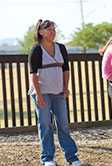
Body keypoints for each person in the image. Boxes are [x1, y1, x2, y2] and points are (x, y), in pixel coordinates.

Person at [28, 19, 82, 166]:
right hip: (42, 93)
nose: (52, 32)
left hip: (59, 92)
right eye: (49, 29)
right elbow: (33, 74)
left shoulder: (61, 48)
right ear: (40, 32)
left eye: (54, 29)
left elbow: (66, 70)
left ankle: (72, 157)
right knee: (45, 125)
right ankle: (48, 159)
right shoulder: (36, 49)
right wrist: (38, 95)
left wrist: (66, 88)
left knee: (63, 124)